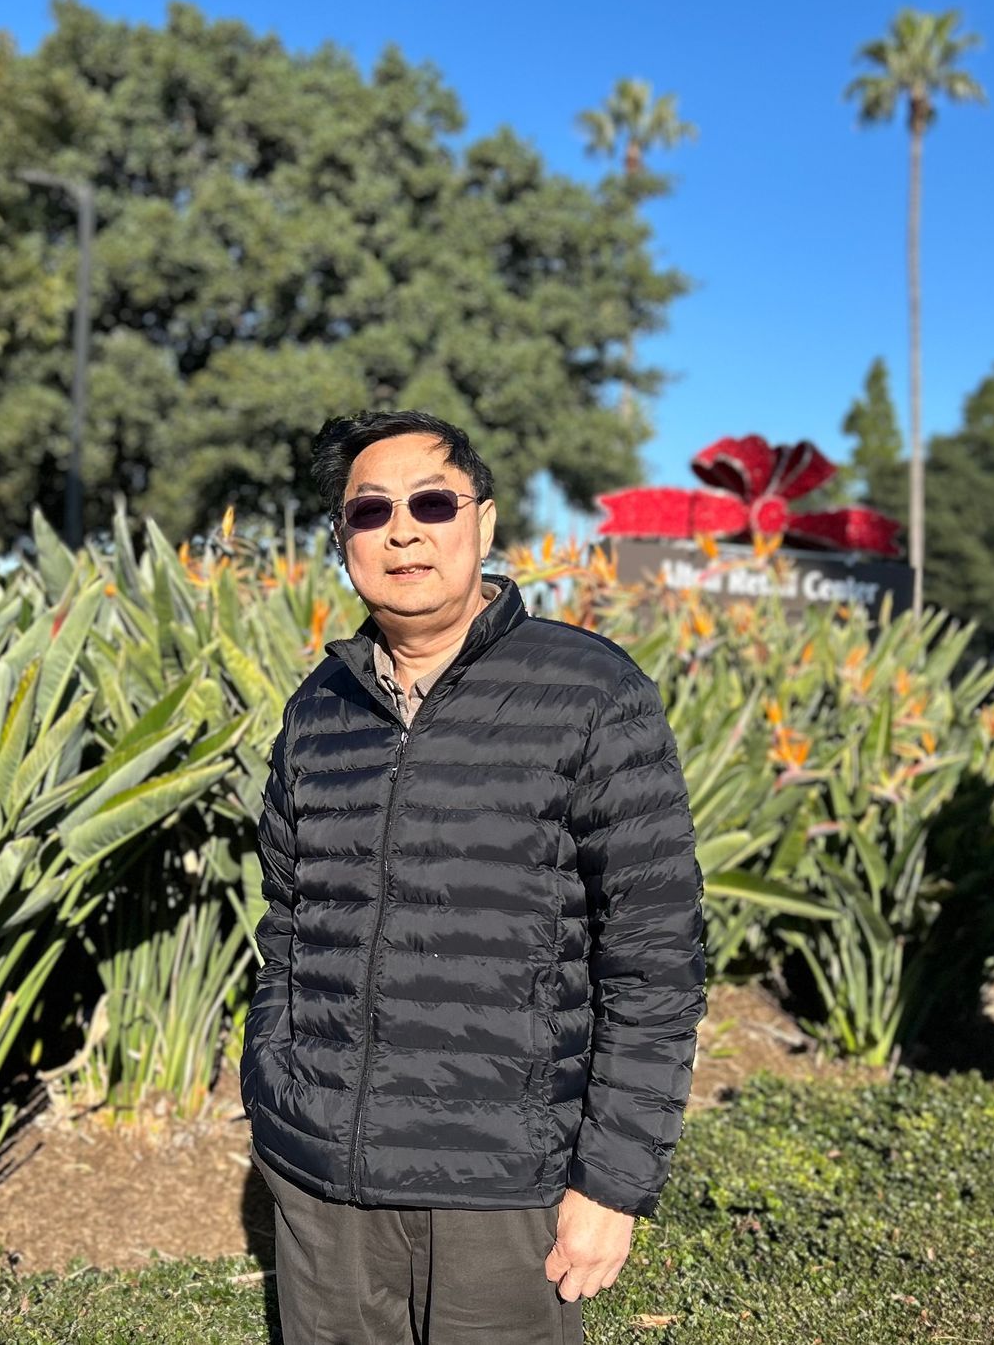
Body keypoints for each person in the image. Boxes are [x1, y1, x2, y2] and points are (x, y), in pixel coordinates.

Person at [241, 410, 707, 1345]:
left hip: (502, 1191)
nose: (401, 531)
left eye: (431, 503)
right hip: (325, 1185)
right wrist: (274, 1083)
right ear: (342, 539)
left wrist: (612, 1184)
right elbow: (289, 921)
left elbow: (655, 953)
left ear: (482, 522)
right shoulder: (319, 710)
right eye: (370, 510)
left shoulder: (588, 691)